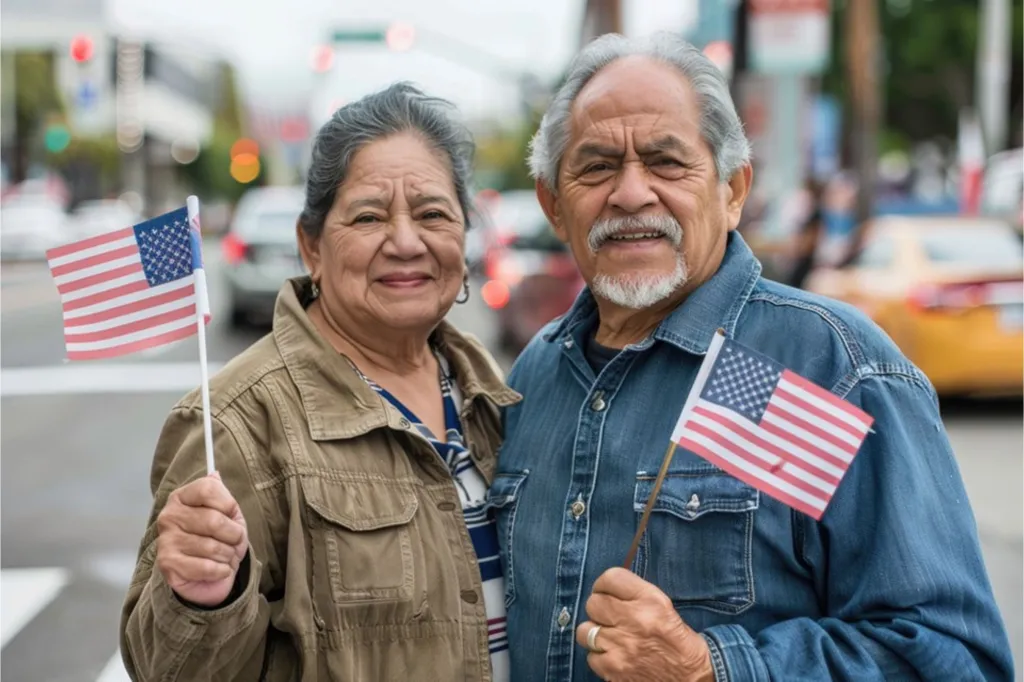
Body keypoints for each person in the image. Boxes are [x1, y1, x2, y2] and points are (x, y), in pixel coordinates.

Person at [493, 32, 1013, 682]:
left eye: (666, 162)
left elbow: (955, 660)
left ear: (733, 190)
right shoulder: (534, 378)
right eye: (596, 166)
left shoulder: (829, 371)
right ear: (553, 205)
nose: (631, 193)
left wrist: (710, 667)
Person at [119, 82, 520, 681]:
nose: (406, 242)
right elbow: (167, 671)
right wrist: (200, 596)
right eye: (368, 216)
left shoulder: (494, 391)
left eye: (434, 213)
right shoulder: (236, 421)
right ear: (312, 246)